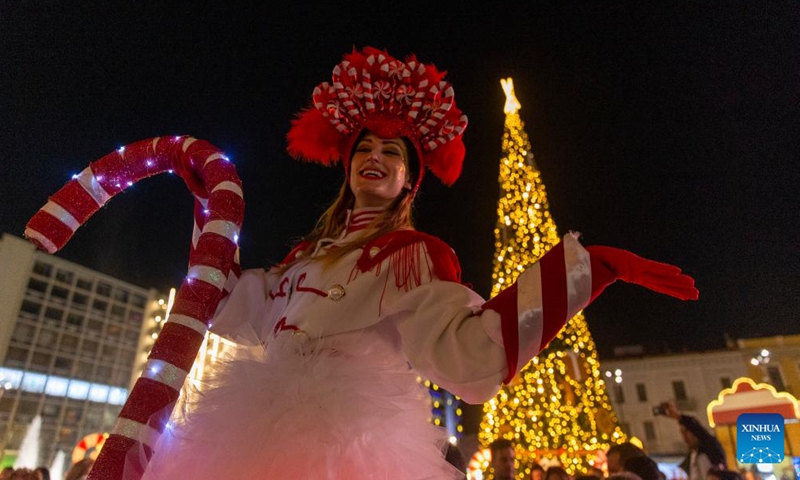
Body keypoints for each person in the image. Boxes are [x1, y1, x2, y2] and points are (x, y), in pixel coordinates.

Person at [133, 47, 698, 479]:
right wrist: (208, 208)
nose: (374, 156)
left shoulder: (415, 257)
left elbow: (470, 357)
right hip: (248, 434)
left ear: (409, 179)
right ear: (348, 166)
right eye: (364, 147)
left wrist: (585, 271)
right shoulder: (301, 259)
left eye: (391, 151)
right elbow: (222, 305)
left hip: (348, 451)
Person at [662, 402, 725, 480]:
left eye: (686, 432)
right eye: (682, 433)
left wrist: (679, 417)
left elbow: (699, 431)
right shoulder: (692, 456)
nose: (684, 437)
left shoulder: (711, 448)